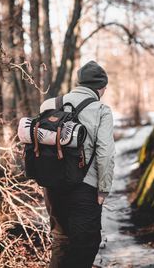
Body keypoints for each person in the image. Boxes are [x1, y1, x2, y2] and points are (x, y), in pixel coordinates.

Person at [40, 60, 115, 268]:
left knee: (61, 241)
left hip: (52, 186)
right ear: (101, 87)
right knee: (87, 243)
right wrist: (103, 189)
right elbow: (106, 154)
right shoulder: (101, 110)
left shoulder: (49, 105)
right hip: (86, 188)